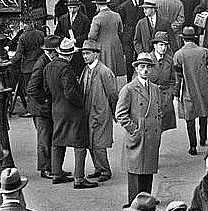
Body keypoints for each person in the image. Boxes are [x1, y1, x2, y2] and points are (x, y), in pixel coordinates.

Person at [116, 54, 165, 202]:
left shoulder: (155, 88)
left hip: (151, 137)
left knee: (148, 173)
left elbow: (159, 110)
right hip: (138, 136)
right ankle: (135, 206)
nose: (145, 70)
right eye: (142, 67)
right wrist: (135, 130)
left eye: (148, 67)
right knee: (136, 173)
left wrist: (157, 126)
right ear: (136, 69)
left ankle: (147, 205)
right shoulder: (129, 89)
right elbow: (120, 114)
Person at [47, 39, 95, 189]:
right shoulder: (66, 69)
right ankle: (79, 178)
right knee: (80, 143)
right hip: (72, 111)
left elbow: (45, 88)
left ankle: (56, 173)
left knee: (57, 140)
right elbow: (70, 92)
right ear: (70, 55)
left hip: (56, 108)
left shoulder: (48, 67)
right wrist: (81, 103)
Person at [81, 41, 121, 184]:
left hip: (101, 112)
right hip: (89, 112)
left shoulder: (104, 71)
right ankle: (98, 168)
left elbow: (112, 94)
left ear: (96, 54)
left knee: (99, 143)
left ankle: (105, 170)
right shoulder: (86, 69)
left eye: (87, 53)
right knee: (90, 142)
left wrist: (115, 112)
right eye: (83, 53)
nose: (85, 56)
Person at [176, 27, 208, 157]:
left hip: (188, 88)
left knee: (190, 119)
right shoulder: (204, 51)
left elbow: (178, 74)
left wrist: (177, 93)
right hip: (203, 87)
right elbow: (207, 62)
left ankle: (192, 146)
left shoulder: (179, 54)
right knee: (203, 113)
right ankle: (203, 138)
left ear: (183, 39)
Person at [26, 37, 59, 179]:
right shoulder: (42, 64)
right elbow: (31, 88)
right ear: (51, 52)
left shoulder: (45, 61)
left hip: (42, 108)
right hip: (40, 109)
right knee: (44, 139)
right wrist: (44, 99)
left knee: (48, 137)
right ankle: (45, 168)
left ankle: (51, 167)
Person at [146, 32, 179, 137]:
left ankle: (155, 150)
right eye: (161, 45)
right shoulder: (148, 59)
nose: (163, 48)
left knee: (160, 127)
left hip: (165, 97)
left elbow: (174, 80)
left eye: (165, 45)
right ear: (155, 45)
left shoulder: (169, 60)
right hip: (150, 96)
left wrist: (171, 93)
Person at [88, 0, 126, 80]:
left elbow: (91, 36)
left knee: (104, 72)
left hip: (102, 47)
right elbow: (121, 31)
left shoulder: (97, 18)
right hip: (116, 45)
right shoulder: (116, 15)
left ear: (97, 5)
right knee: (114, 72)